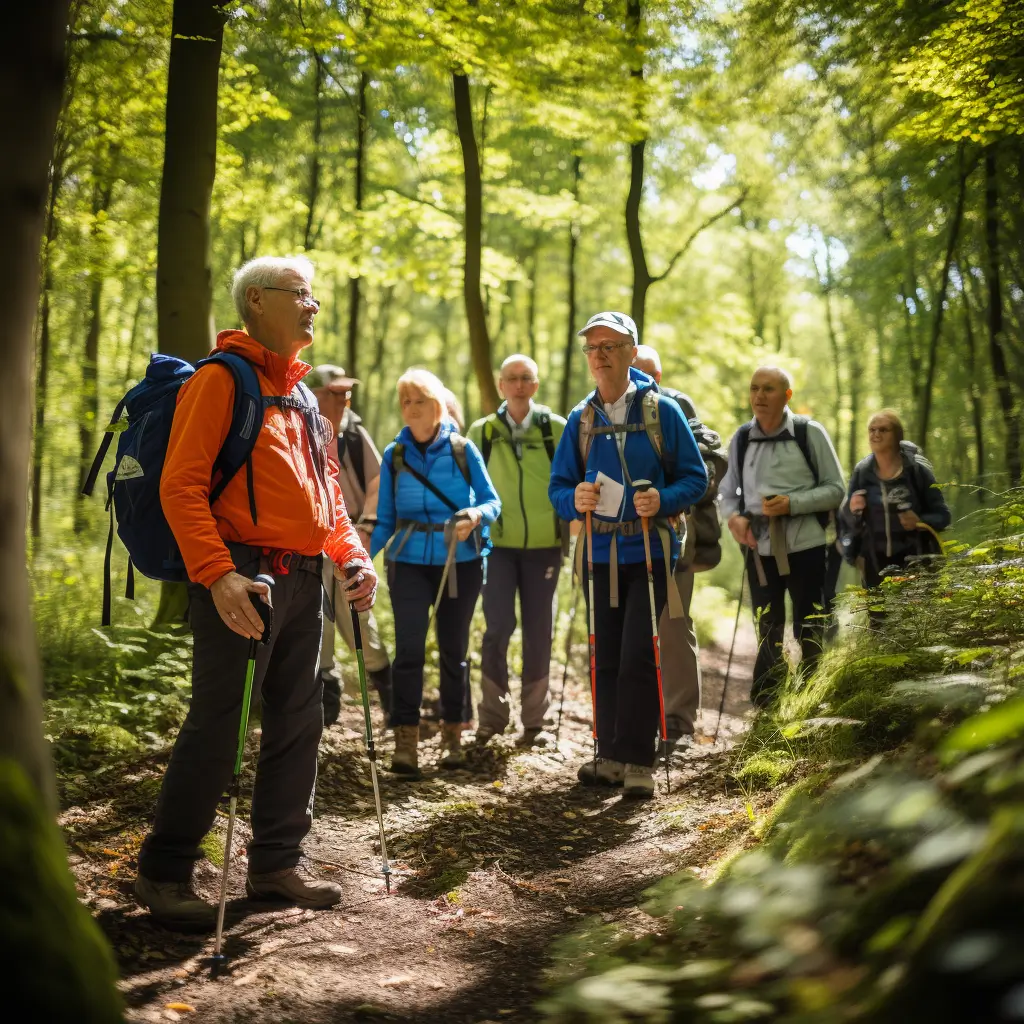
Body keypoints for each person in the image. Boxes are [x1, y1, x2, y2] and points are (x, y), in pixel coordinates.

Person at [135, 256, 378, 928]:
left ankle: (275, 864)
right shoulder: (222, 380)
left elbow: (327, 495)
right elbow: (180, 485)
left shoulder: (302, 397)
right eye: (300, 294)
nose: (313, 305)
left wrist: (353, 557)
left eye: (312, 294)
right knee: (221, 722)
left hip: (305, 577)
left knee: (299, 720)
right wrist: (216, 574)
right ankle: (165, 871)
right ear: (255, 303)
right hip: (243, 576)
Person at [548, 312, 708, 798]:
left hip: (650, 550)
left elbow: (695, 478)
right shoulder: (582, 418)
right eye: (592, 348)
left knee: (640, 652)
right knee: (606, 655)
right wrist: (574, 499)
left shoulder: (663, 411)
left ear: (631, 352)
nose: (598, 356)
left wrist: (663, 499)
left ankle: (639, 760)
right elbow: (558, 488)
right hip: (600, 551)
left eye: (609, 346)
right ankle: (610, 753)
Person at [370, 369, 501, 777]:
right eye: (405, 401)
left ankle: (451, 737)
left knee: (453, 652)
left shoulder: (463, 450)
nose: (410, 409)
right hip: (407, 562)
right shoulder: (394, 455)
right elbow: (386, 521)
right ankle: (405, 740)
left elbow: (492, 501)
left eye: (418, 401)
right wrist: (356, 559)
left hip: (459, 562)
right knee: (408, 651)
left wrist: (474, 515)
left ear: (437, 405)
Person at [720, 366, 845, 707]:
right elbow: (727, 492)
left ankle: (812, 696)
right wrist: (734, 518)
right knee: (767, 624)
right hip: (758, 548)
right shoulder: (742, 438)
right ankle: (768, 702)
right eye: (755, 388)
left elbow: (836, 490)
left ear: (787, 395)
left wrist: (792, 504)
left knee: (809, 622)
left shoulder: (809, 433)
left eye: (769, 389)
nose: (759, 396)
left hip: (805, 544)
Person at [468, 355, 567, 748]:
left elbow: (572, 480)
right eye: (512, 378)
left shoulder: (556, 428)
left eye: (527, 378)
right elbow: (468, 484)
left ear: (536, 384)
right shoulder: (483, 431)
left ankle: (534, 722)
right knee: (496, 629)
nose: (520, 385)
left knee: (539, 631)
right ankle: (492, 717)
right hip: (496, 546)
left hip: (545, 546)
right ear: (501, 384)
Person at [631, 345, 727, 747]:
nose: (642, 381)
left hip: (676, 540)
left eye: (649, 374)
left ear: (661, 376)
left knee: (672, 626)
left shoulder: (677, 411)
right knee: (631, 632)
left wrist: (667, 495)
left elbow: (707, 469)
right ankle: (634, 722)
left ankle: (678, 723)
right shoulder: (602, 413)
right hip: (620, 542)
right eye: (636, 372)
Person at [306, 364, 392, 725]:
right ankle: (324, 707)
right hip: (310, 543)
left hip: (349, 537)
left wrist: (368, 527)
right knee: (318, 623)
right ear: (317, 394)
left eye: (346, 393)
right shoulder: (301, 427)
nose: (344, 399)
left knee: (358, 620)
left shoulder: (353, 431)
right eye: (336, 392)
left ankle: (390, 698)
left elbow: (376, 481)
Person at [838, 409, 950, 589]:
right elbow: (846, 522)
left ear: (897, 435)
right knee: (879, 616)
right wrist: (853, 510)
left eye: (883, 430)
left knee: (914, 616)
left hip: (917, 562)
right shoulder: (862, 472)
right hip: (875, 564)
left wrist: (920, 521)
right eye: (872, 430)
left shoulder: (917, 471)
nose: (876, 434)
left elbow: (943, 516)